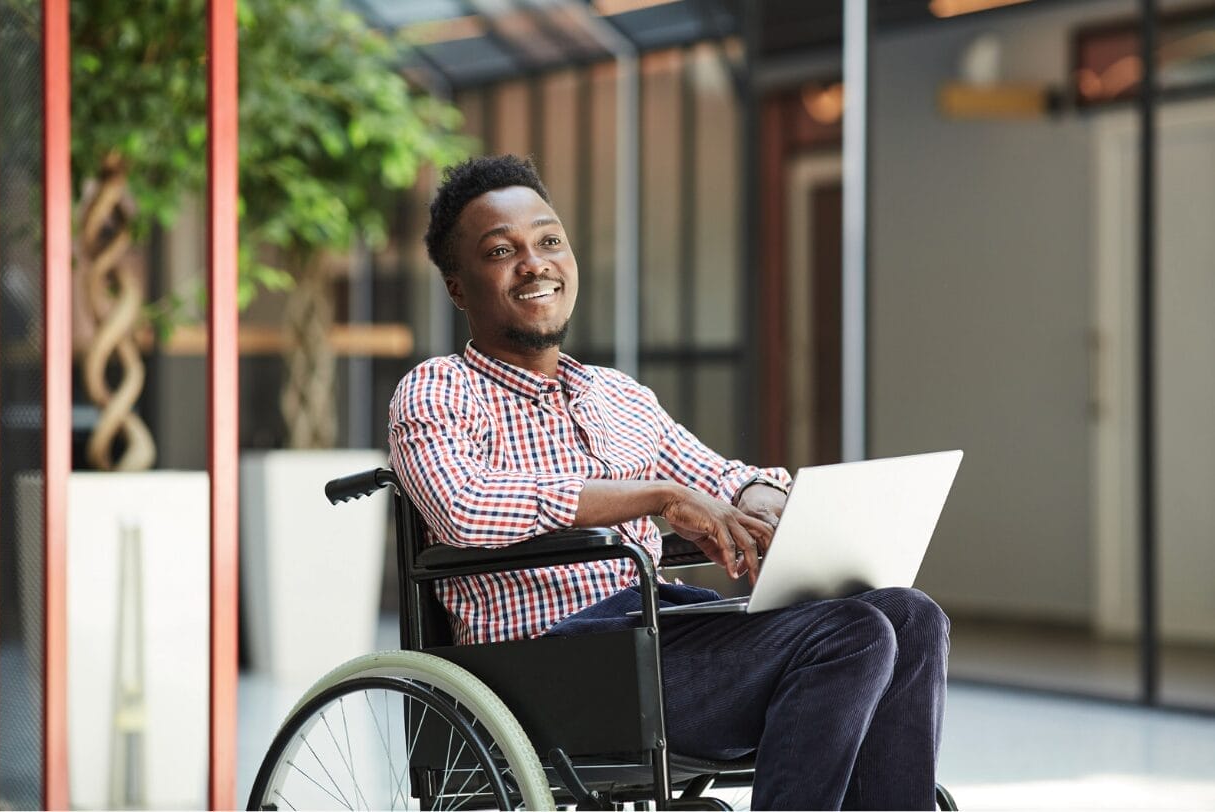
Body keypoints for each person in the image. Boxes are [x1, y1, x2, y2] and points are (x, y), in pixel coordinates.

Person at [389, 154, 949, 810]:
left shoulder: (619, 396)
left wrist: (763, 503)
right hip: (546, 667)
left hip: (654, 635)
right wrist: (658, 497)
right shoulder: (436, 390)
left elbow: (718, 475)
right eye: (501, 251)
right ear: (458, 286)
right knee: (850, 636)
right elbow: (464, 509)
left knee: (910, 617)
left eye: (548, 242)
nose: (534, 263)